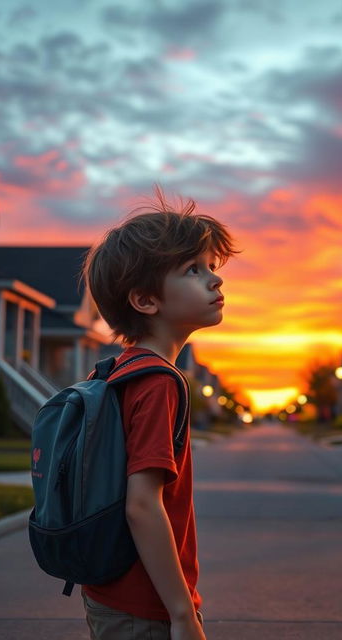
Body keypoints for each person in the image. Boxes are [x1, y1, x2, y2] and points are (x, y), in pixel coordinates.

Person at [79, 187, 240, 640]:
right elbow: (143, 505)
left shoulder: (115, 370)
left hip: (112, 591)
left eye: (212, 267)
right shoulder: (157, 382)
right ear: (145, 301)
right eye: (193, 270)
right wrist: (183, 613)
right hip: (146, 607)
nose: (215, 280)